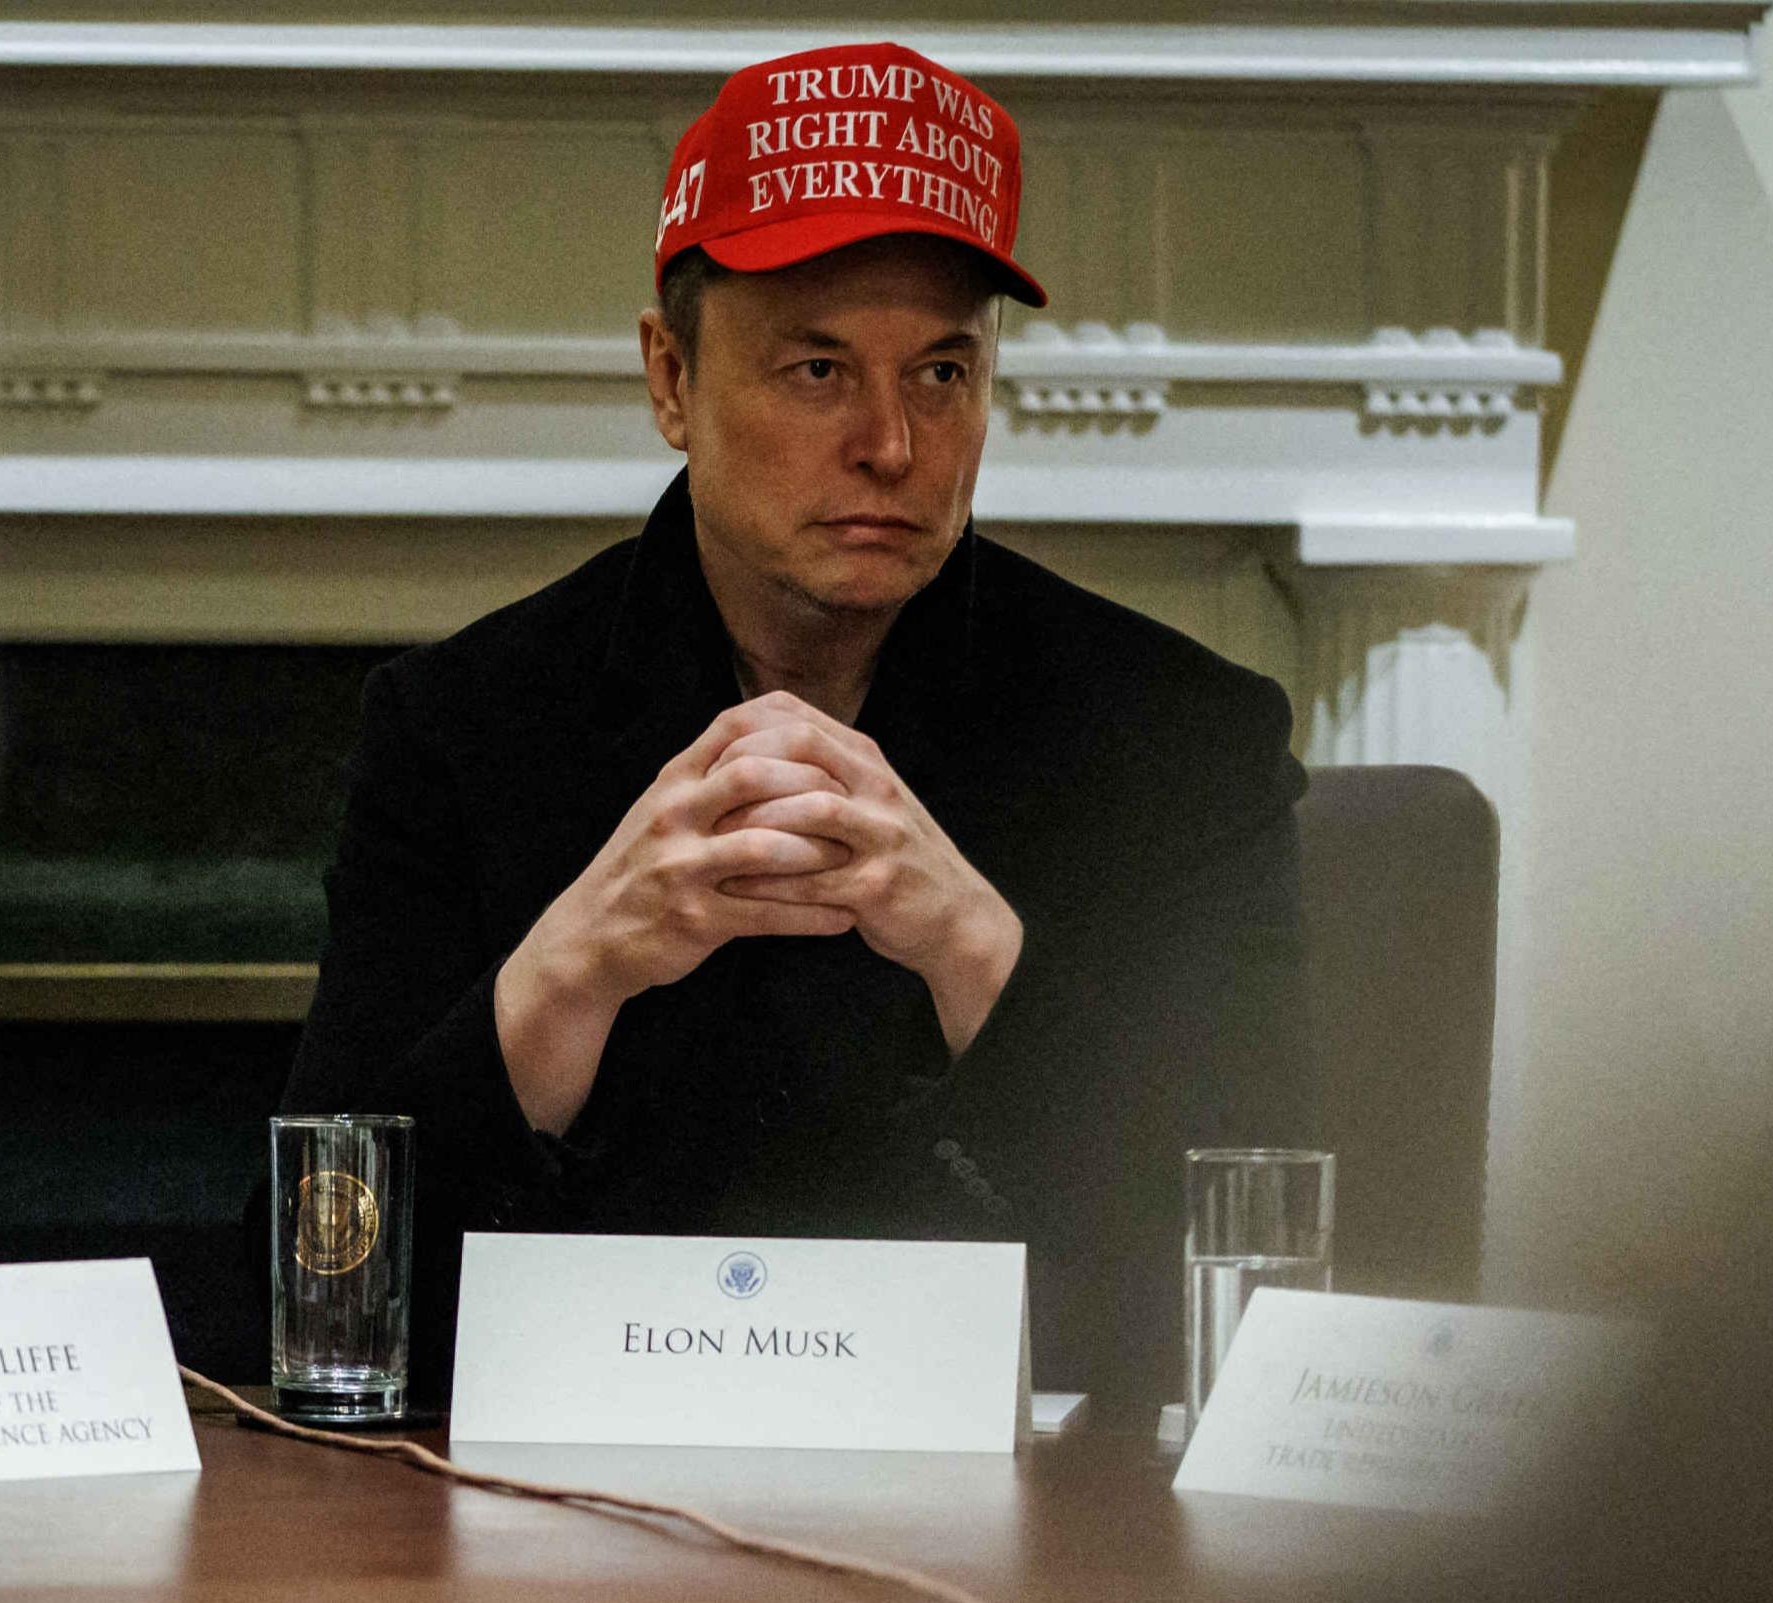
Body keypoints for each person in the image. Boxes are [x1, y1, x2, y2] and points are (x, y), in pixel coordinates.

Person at [281, 41, 1312, 1408]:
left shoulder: (1176, 736)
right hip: (586, 1472)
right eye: (818, 370)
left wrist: (971, 947)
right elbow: (324, 1288)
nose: (892, 444)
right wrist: (570, 975)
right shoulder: (463, 725)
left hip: (1029, 1495)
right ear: (670, 380)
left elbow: (1259, 1295)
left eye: (940, 373)